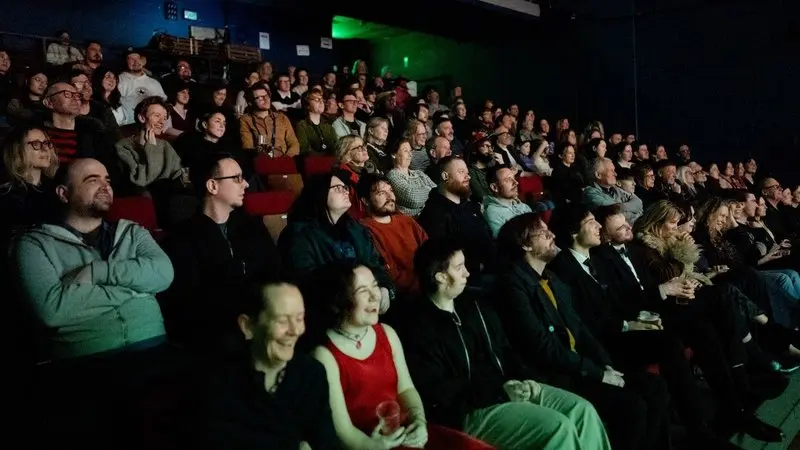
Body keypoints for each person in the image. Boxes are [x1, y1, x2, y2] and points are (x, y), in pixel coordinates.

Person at [398, 238, 612, 450]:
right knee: (558, 427)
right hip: (472, 408)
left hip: (508, 387)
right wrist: (500, 391)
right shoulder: (418, 327)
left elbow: (506, 351)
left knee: (582, 410)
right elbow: (441, 391)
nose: (467, 273)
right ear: (441, 277)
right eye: (459, 267)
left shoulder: (476, 305)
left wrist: (527, 379)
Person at [495, 212, 672, 450]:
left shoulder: (551, 278)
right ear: (526, 245)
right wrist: (596, 372)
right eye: (543, 233)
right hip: (557, 375)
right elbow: (543, 347)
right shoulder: (512, 285)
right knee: (632, 406)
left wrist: (605, 365)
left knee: (655, 388)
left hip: (581, 365)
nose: (552, 235)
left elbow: (579, 328)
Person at [312, 262, 494, 450]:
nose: (375, 296)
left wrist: (419, 421)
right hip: (368, 443)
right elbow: (343, 430)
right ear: (338, 301)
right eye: (362, 291)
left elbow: (406, 389)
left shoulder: (387, 333)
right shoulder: (324, 355)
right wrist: (374, 446)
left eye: (375, 286)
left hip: (404, 431)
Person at [205, 280, 340, 449]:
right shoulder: (218, 385)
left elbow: (326, 443)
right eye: (282, 321)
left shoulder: (312, 374)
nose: (295, 330)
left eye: (299, 318)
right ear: (248, 326)